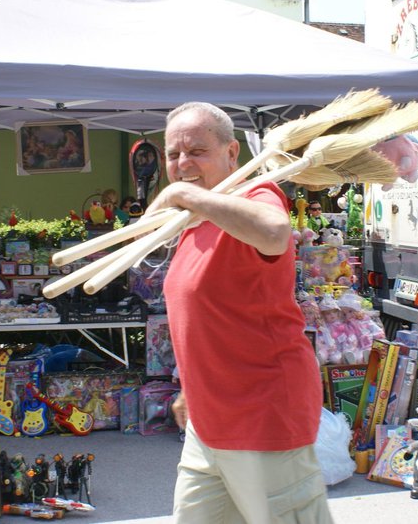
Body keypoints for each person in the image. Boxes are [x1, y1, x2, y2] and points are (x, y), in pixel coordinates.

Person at [146, 102, 332, 523]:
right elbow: (208, 319)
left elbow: (274, 232)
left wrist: (183, 193)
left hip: (263, 418)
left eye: (196, 151)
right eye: (173, 155)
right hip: (208, 423)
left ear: (232, 153)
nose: (182, 163)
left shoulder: (254, 194)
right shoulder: (193, 220)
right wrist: (190, 390)